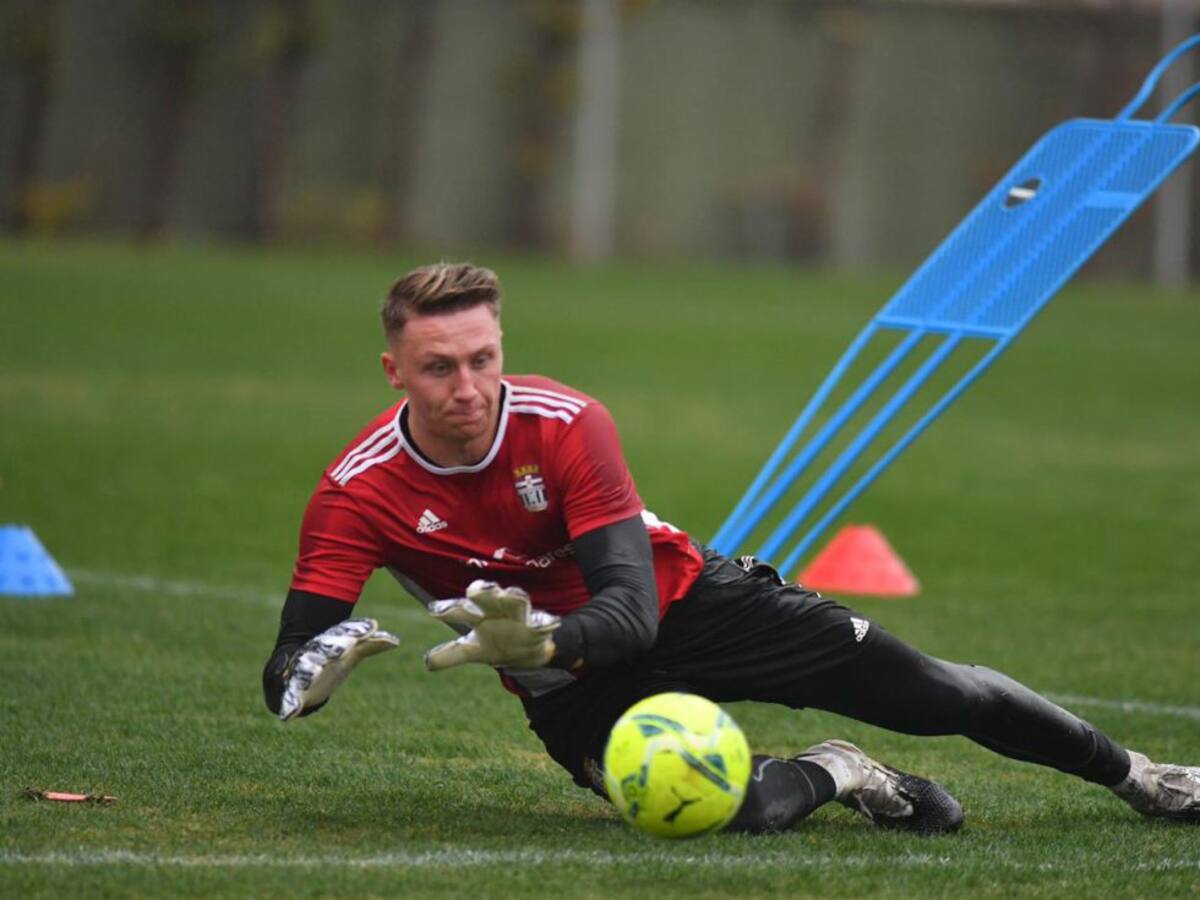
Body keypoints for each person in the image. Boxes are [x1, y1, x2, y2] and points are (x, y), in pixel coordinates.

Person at [262, 263, 1200, 833]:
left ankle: (1143, 779)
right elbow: (286, 670)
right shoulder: (356, 492)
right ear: (394, 371)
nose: (468, 388)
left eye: (483, 359)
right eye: (439, 368)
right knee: (717, 812)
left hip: (694, 605)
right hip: (575, 693)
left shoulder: (568, 424)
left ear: (501, 347)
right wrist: (313, 676)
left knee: (939, 697)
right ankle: (839, 769)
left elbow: (630, 613)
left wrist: (544, 639)